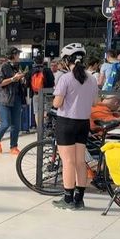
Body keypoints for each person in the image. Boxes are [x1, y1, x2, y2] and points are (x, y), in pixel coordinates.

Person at [52, 44, 98, 211]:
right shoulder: (91, 78)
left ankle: (67, 198)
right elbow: (95, 102)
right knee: (80, 161)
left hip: (66, 123)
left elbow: (57, 103)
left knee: (68, 162)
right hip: (83, 123)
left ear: (66, 60)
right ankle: (79, 199)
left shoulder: (65, 78)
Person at [0, 48, 26, 155]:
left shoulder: (17, 67)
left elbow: (18, 82)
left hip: (16, 98)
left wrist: (21, 79)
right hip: (4, 99)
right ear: (13, 55)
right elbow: (0, 83)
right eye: (18, 55)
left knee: (16, 124)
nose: (19, 57)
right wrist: (13, 79)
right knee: (6, 123)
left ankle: (13, 146)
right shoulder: (3, 67)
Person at [27, 54, 55, 127]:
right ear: (43, 61)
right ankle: (45, 129)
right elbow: (52, 82)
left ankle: (39, 130)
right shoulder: (47, 70)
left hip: (36, 94)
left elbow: (27, 84)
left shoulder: (31, 71)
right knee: (46, 111)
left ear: (35, 62)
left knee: (37, 112)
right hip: (47, 94)